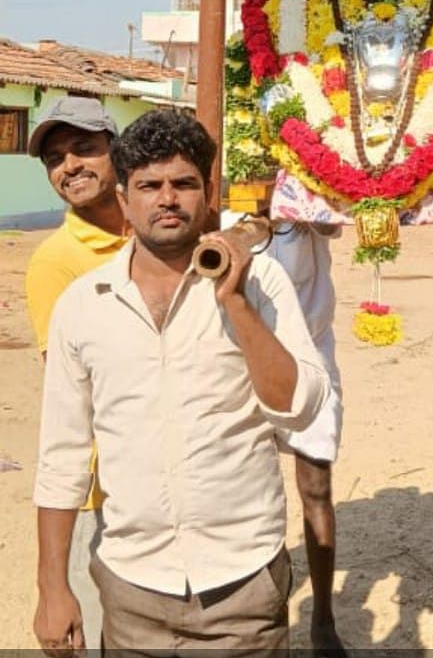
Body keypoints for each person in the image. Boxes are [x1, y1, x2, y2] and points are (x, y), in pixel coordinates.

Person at [33, 109, 329, 656]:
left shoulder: (261, 282)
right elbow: (61, 455)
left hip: (243, 586)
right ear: (124, 199)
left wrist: (235, 302)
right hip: (131, 587)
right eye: (148, 186)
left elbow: (300, 406)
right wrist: (52, 586)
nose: (166, 199)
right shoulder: (83, 304)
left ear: (208, 190)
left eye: (183, 183)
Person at [26, 95, 128, 652]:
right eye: (55, 158)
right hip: (105, 492)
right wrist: (51, 580)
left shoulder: (159, 227)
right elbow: (68, 396)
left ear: (118, 152)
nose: (69, 167)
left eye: (85, 148)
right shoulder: (57, 260)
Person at [269, 222, 345, 657]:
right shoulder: (218, 200)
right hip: (240, 351)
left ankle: (322, 619)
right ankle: (266, 608)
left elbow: (331, 218)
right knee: (247, 488)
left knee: (316, 487)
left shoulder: (306, 181)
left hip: (311, 352)